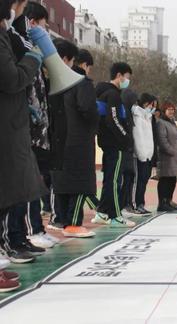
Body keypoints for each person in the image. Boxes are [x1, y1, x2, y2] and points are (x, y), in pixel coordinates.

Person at [0, 0, 50, 290]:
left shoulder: (7, 35)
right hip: (6, 127)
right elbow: (12, 79)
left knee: (11, 190)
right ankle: (14, 238)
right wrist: (33, 58)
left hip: (11, 125)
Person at [7, 0, 57, 251]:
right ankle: (21, 234)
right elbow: (15, 78)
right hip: (19, 124)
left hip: (33, 126)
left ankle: (24, 234)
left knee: (31, 182)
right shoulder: (15, 38)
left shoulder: (21, 40)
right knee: (21, 184)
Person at [50, 46, 99, 238]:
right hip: (78, 141)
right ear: (83, 64)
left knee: (62, 183)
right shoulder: (81, 83)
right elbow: (87, 109)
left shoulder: (55, 82)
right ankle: (73, 223)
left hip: (58, 140)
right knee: (80, 183)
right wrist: (96, 121)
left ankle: (61, 220)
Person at [92, 62, 135, 227]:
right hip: (115, 144)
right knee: (115, 180)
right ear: (119, 75)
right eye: (127, 77)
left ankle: (102, 212)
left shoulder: (102, 93)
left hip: (107, 142)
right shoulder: (113, 95)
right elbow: (114, 119)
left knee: (109, 178)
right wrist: (125, 138)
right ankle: (115, 215)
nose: (127, 81)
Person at [157, 102, 177, 211]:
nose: (171, 111)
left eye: (173, 109)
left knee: (172, 179)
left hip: (174, 157)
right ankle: (162, 203)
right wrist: (171, 151)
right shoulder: (161, 123)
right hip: (166, 157)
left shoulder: (172, 122)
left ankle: (169, 200)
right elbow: (162, 140)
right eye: (169, 109)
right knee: (165, 180)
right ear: (163, 111)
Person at [131, 93, 157, 214]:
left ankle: (141, 203)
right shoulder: (137, 116)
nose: (154, 108)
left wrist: (149, 153)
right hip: (139, 155)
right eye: (152, 105)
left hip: (147, 154)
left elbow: (149, 137)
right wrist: (141, 153)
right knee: (138, 180)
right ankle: (135, 204)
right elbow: (138, 136)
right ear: (146, 103)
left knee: (144, 180)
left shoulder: (148, 117)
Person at [120, 89, 139, 216]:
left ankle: (127, 204)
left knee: (130, 178)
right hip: (124, 151)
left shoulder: (130, 114)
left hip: (129, 150)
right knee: (124, 180)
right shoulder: (122, 112)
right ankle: (122, 206)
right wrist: (127, 140)